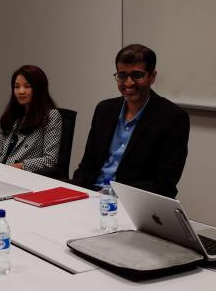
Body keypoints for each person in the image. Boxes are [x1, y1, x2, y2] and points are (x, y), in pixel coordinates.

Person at [71, 44, 190, 197]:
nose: (128, 83)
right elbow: (87, 165)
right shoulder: (104, 110)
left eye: (137, 75)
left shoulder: (172, 118)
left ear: (152, 77)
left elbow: (164, 182)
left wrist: (110, 194)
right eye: (122, 75)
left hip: (133, 202)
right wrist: (74, 194)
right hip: (93, 195)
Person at [0, 65, 62, 173]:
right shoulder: (14, 114)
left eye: (27, 86)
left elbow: (50, 159)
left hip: (25, 175)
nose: (21, 91)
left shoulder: (51, 116)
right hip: (3, 172)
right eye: (17, 87)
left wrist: (19, 166)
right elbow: (1, 154)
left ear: (39, 89)